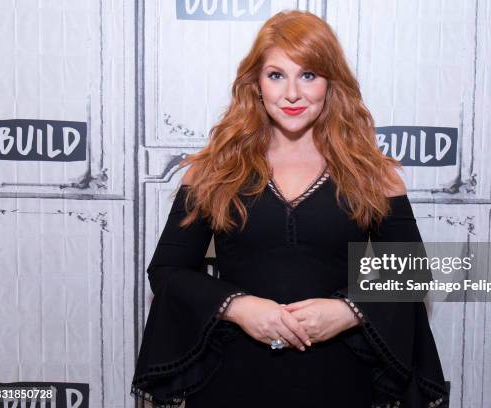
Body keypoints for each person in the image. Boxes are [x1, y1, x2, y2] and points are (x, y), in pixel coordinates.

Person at [130, 10, 448, 408]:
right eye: (277, 75)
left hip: (341, 380)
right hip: (230, 380)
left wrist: (348, 311)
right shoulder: (211, 171)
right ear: (256, 84)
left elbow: (413, 277)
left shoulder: (375, 176)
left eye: (309, 75)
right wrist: (238, 306)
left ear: (332, 83)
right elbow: (166, 271)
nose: (292, 93)